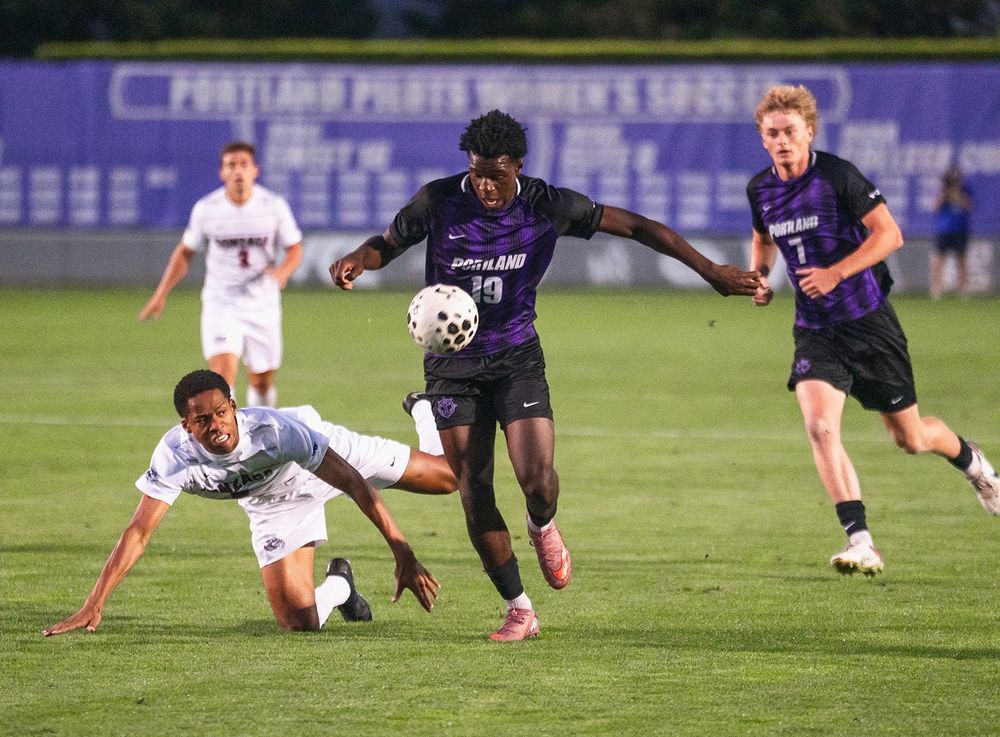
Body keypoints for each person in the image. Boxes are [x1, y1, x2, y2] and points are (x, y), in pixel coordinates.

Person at [329, 109, 762, 641]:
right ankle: (519, 608)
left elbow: (639, 227)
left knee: (537, 481)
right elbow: (387, 244)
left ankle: (541, 524)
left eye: (497, 173)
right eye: (478, 171)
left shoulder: (546, 204)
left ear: (518, 166)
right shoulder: (439, 201)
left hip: (515, 358)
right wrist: (357, 258)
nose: (486, 184)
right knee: (474, 486)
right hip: (451, 368)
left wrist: (712, 272)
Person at [745, 84, 999, 577]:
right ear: (763, 138)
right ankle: (861, 541)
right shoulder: (761, 189)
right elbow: (763, 237)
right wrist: (759, 276)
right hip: (816, 331)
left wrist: (837, 272)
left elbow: (890, 235)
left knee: (911, 438)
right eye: (772, 133)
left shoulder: (837, 176)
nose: (781, 141)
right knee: (820, 427)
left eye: (790, 132)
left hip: (869, 324)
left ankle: (975, 465)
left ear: (809, 132)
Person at [43, 369, 456, 636]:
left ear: (234, 408)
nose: (216, 426)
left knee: (448, 478)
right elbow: (138, 532)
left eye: (222, 413)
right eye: (202, 420)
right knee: (300, 623)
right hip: (271, 502)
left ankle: (425, 410)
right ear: (186, 426)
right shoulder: (175, 457)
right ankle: (341, 587)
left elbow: (351, 482)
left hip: (323, 458)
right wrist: (93, 603)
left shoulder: (275, 431)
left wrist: (401, 550)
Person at [139, 142, 303, 407]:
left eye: (243, 165)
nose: (238, 171)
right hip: (222, 304)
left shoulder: (273, 206)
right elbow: (185, 252)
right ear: (222, 173)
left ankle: (262, 434)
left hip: (263, 304)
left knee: (261, 381)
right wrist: (161, 294)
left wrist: (283, 271)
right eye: (231, 165)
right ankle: (231, 443)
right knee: (222, 376)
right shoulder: (207, 209)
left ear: (255, 170)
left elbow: (295, 248)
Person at [930, 165, 974, 299]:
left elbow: (969, 206)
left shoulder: (965, 190)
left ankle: (963, 290)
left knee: (962, 260)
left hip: (960, 230)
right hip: (944, 230)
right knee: (938, 260)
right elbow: (935, 207)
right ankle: (936, 290)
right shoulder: (942, 191)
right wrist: (945, 195)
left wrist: (957, 195)